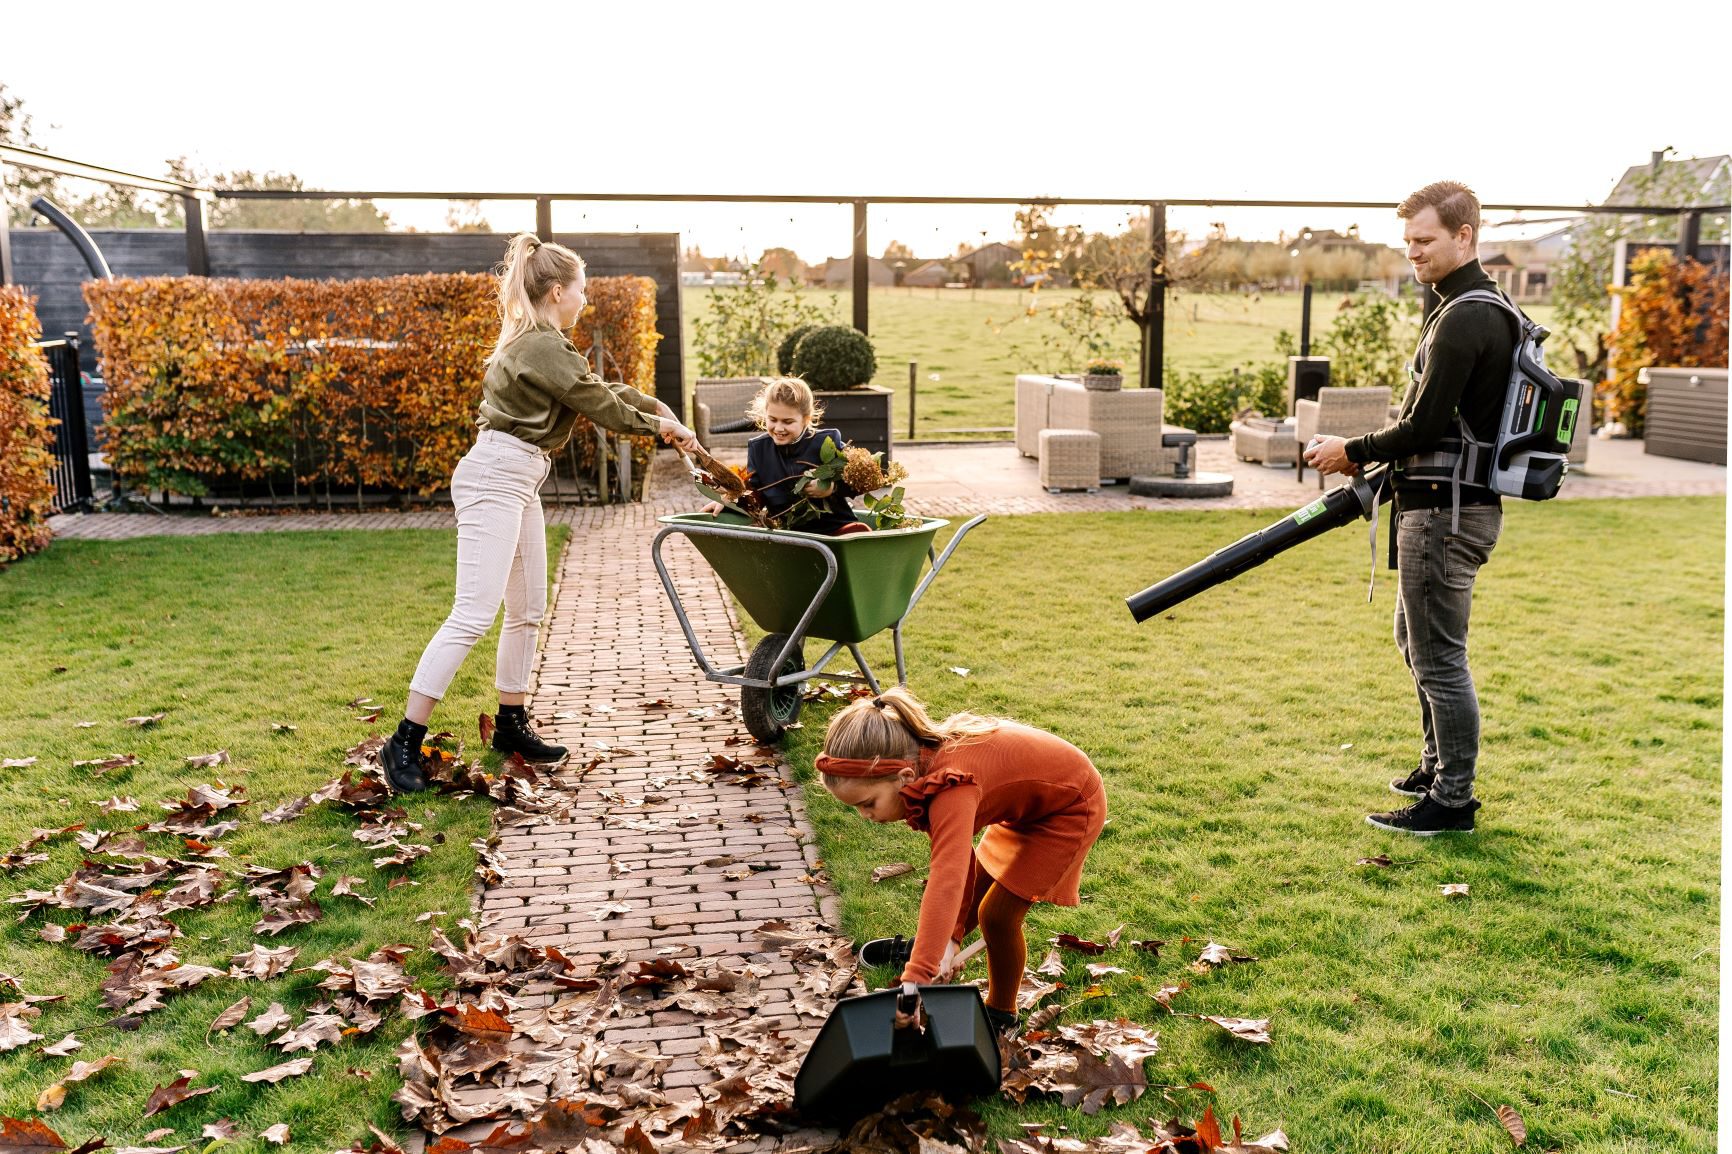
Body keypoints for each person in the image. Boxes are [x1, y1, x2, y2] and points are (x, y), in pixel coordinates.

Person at [381, 234, 698, 793]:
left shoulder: (545, 342)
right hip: (495, 479)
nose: (585, 300)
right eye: (582, 291)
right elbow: (599, 404)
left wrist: (654, 408)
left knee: (528, 610)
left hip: (519, 479)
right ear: (557, 291)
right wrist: (660, 426)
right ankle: (404, 738)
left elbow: (597, 388)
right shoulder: (543, 345)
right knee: (473, 613)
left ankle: (510, 723)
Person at [1303, 181, 1512, 836]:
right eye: (1409, 242)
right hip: (1445, 508)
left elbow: (1422, 427)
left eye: (1424, 241)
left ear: (1464, 236)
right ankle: (1435, 767)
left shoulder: (1465, 317)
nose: (1412, 253)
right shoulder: (1468, 306)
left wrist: (1351, 450)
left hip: (1445, 516)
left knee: (1440, 657)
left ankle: (1452, 801)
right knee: (1417, 643)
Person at [816, 688, 1107, 1037]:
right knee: (976, 887)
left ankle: (1002, 1012)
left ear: (903, 779)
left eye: (867, 803)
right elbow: (961, 864)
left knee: (996, 916)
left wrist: (916, 981)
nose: (864, 816)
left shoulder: (951, 787)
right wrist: (947, 941)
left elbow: (947, 878)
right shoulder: (923, 767)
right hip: (1025, 808)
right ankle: (930, 948)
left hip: (1069, 808)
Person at [701, 377, 866, 535]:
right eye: (772, 419)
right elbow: (755, 492)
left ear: (806, 419)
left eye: (788, 422)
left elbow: (863, 476)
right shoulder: (759, 449)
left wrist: (832, 487)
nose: (778, 428)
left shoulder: (825, 442)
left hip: (836, 528)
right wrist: (730, 500)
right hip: (790, 533)